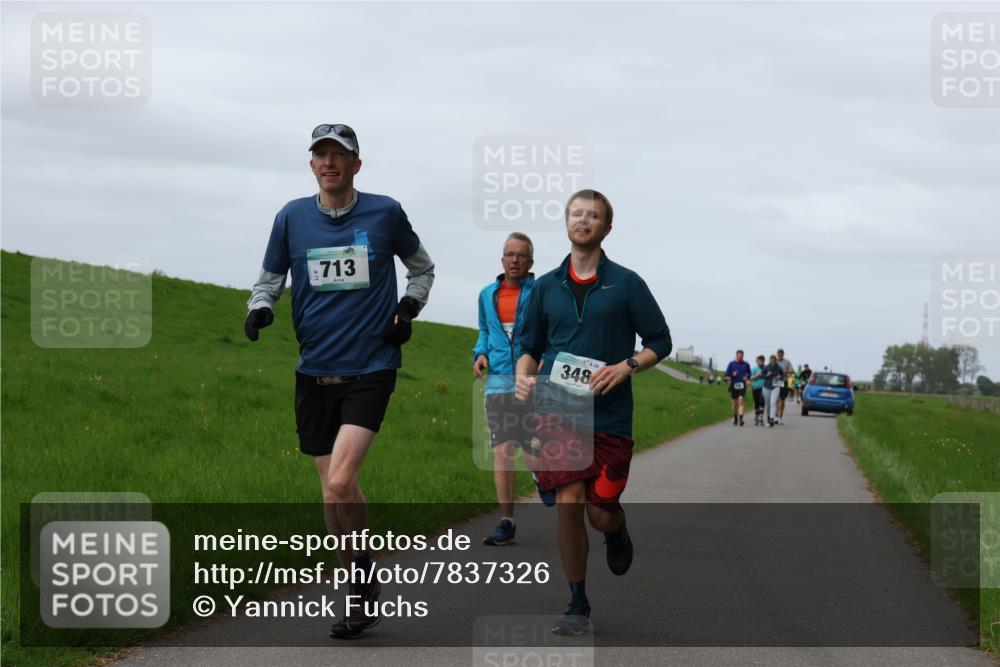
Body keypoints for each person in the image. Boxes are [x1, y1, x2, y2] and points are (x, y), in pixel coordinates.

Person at [245, 123, 435, 640]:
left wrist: (408, 308)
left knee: (340, 482)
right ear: (312, 164)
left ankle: (360, 581)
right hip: (314, 370)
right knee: (332, 496)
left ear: (356, 164)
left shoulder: (385, 213)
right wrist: (260, 308)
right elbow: (270, 279)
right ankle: (359, 586)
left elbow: (422, 269)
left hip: (370, 366)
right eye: (321, 154)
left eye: (339, 154)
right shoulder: (291, 217)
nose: (329, 162)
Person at [514, 189, 672, 636]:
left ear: (607, 227)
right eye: (577, 214)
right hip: (560, 411)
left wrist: (626, 367)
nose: (583, 221)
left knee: (599, 512)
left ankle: (616, 530)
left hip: (611, 417)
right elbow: (530, 346)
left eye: (593, 216)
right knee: (568, 503)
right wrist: (524, 375)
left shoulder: (627, 283)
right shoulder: (545, 286)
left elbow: (660, 341)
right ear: (567, 222)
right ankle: (577, 602)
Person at [472, 232, 550, 546]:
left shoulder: (541, 292)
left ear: (530, 262)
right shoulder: (486, 294)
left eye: (521, 255)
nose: (514, 260)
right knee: (503, 450)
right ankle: (506, 522)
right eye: (509, 254)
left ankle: (542, 476)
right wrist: (480, 353)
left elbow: (551, 330)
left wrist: (544, 358)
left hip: (531, 380)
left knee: (532, 451)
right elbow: (484, 330)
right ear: (502, 259)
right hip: (498, 383)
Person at [724, 350, 751, 426]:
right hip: (734, 385)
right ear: (736, 356)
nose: (740, 357)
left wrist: (747, 377)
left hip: (742, 385)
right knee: (734, 403)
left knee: (741, 400)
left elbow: (749, 373)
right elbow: (726, 375)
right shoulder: (731, 364)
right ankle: (735, 416)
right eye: (739, 356)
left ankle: (741, 419)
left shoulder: (746, 364)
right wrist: (732, 374)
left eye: (741, 356)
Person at [762, 354, 784, 427]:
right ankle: (768, 417)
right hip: (766, 387)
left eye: (774, 361)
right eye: (771, 361)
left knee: (773, 403)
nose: (772, 362)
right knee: (768, 404)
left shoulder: (779, 368)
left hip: (775, 387)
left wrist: (779, 377)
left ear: (776, 361)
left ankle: (772, 419)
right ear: (769, 360)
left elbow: (782, 376)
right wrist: (767, 375)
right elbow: (762, 375)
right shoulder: (766, 367)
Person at [775, 348, 793, 423]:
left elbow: (792, 371)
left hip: (784, 382)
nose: (780, 354)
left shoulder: (787, 362)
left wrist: (787, 371)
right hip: (776, 382)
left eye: (781, 353)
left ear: (783, 354)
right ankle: (776, 416)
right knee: (776, 399)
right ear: (777, 354)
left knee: (782, 401)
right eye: (779, 353)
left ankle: (780, 416)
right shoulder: (774, 361)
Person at [749, 355, 767, 426]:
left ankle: (761, 418)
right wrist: (757, 375)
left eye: (762, 360)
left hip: (764, 388)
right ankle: (756, 415)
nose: (761, 361)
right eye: (760, 360)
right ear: (758, 361)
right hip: (756, 388)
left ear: (764, 361)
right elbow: (750, 378)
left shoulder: (766, 368)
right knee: (756, 404)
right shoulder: (754, 369)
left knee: (762, 402)